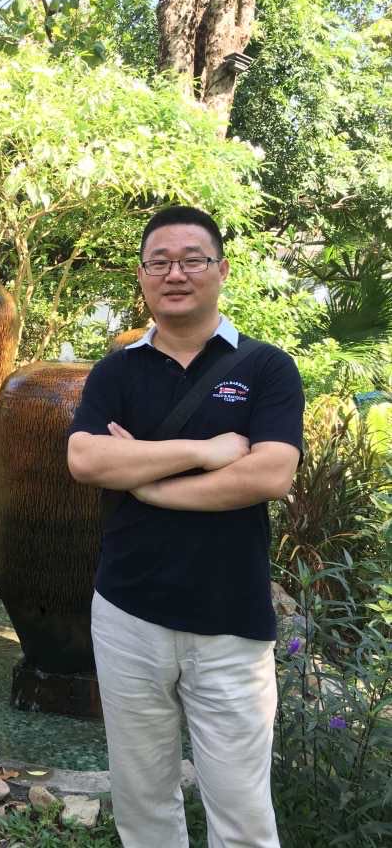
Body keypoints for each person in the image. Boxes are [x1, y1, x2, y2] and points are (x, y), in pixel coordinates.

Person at [67, 206, 303, 848]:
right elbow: (86, 459)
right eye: (160, 262)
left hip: (230, 622)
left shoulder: (265, 368)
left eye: (192, 259)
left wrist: (145, 482)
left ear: (220, 270)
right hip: (128, 614)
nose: (176, 273)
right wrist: (205, 452)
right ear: (143, 276)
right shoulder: (117, 371)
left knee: (243, 815)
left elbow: (269, 474)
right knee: (142, 803)